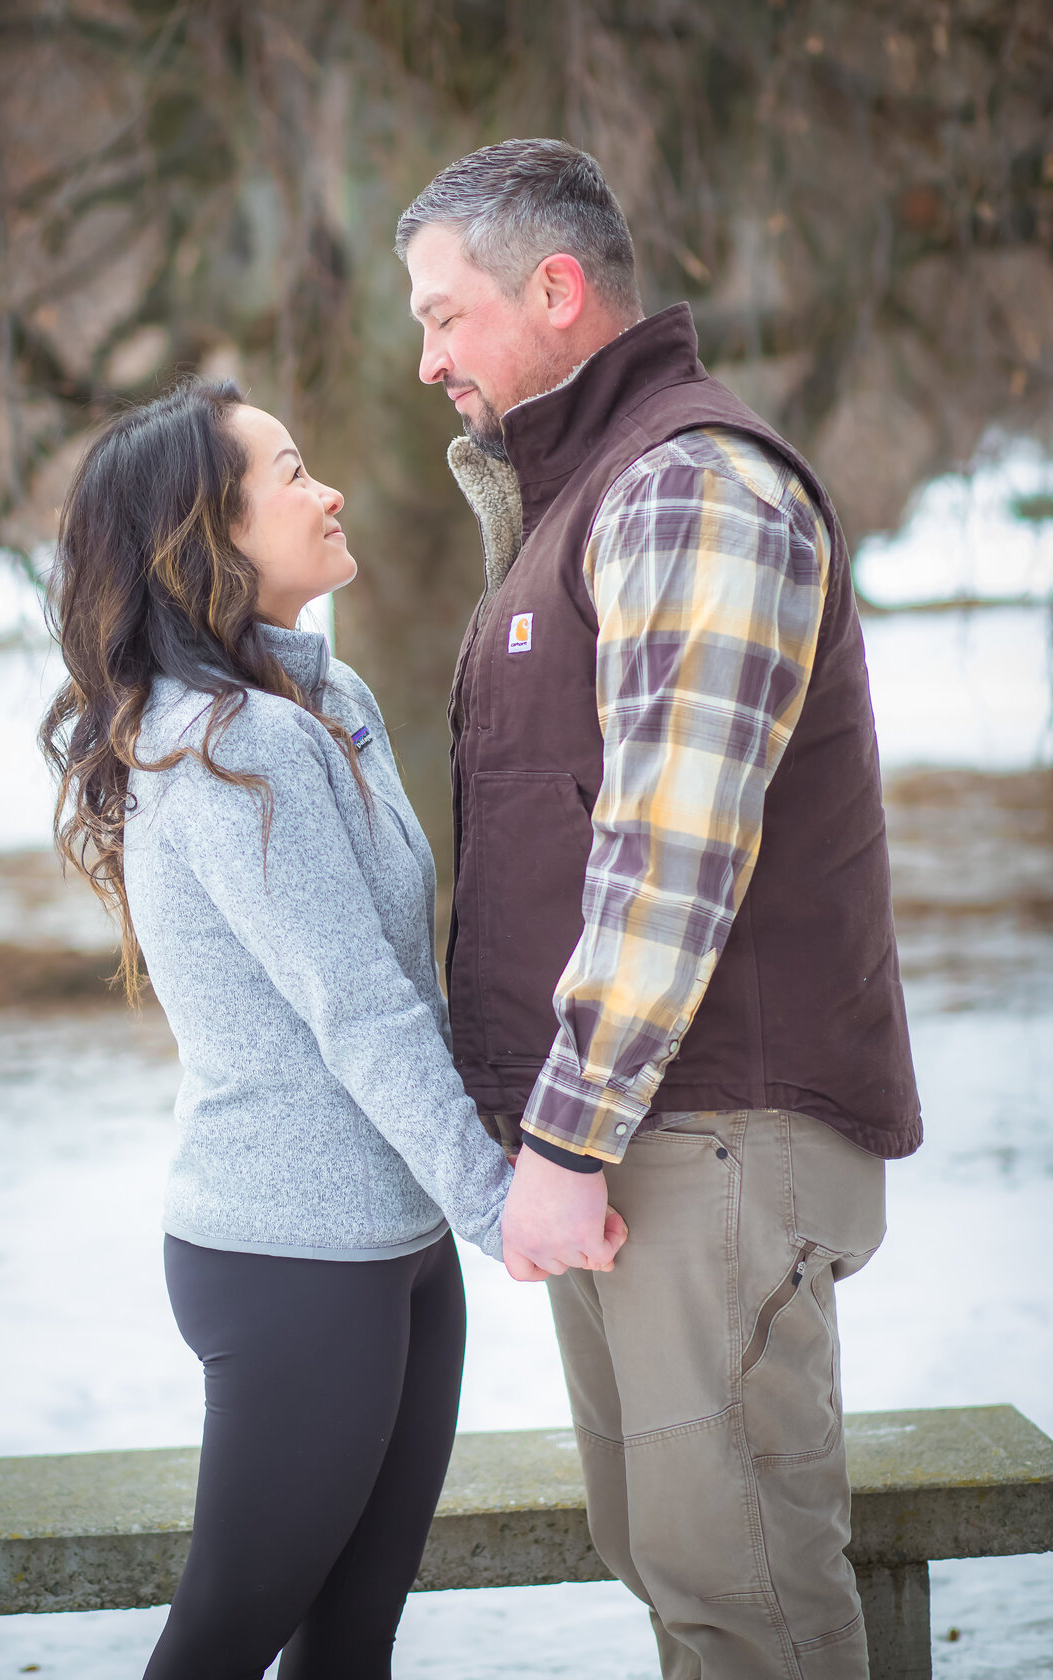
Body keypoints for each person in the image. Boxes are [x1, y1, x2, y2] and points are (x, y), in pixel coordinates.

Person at [397, 139, 922, 1679]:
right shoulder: (586, 493)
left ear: (556, 292)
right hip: (642, 1138)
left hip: (708, 1140)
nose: (424, 360)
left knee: (742, 1599)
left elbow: (673, 848)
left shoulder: (690, 483)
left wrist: (562, 1142)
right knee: (672, 1565)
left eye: (445, 318)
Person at [39, 380, 622, 1679]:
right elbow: (357, 1005)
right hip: (295, 1259)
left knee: (351, 1643)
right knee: (222, 1641)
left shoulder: (323, 697)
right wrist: (502, 1201)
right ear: (210, 536)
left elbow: (409, 974)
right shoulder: (225, 749)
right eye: (290, 475)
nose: (330, 490)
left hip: (396, 1245)